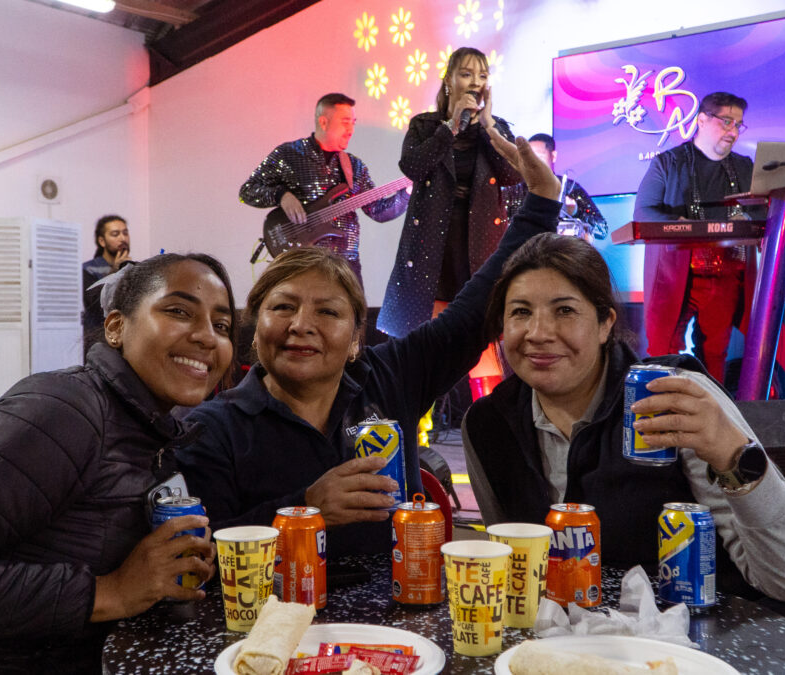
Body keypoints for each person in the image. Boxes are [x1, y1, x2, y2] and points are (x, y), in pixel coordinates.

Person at [461, 158, 785, 673]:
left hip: (762, 630)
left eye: (565, 310)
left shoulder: (673, 394)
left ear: (606, 322)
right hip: (620, 645)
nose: (538, 332)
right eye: (520, 312)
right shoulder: (489, 426)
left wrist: (735, 457)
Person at [178, 128, 562, 559]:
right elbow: (196, 557)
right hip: (276, 622)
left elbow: (477, 306)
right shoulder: (211, 429)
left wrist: (542, 202)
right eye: (283, 307)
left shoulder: (391, 378)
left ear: (356, 337)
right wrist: (305, 510)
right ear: (255, 321)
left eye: (328, 312)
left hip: (404, 616)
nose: (301, 325)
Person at [0, 253, 238, 673]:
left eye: (221, 326)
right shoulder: (62, 410)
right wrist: (108, 592)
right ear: (115, 327)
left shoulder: (155, 432)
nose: (206, 337)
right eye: (179, 311)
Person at [378, 47, 526, 338]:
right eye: (466, 74)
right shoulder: (425, 125)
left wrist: (488, 126)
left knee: (481, 337)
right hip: (432, 241)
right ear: (449, 81)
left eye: (482, 76)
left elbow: (512, 176)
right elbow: (412, 167)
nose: (475, 82)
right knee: (427, 339)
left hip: (480, 239)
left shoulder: (496, 128)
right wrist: (451, 127)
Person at [633, 92, 762, 382]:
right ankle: (662, 416)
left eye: (738, 125)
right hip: (674, 274)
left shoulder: (744, 167)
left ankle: (710, 415)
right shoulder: (668, 162)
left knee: (715, 354)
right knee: (663, 352)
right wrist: (681, 224)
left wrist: (749, 219)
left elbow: (763, 212)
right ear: (702, 120)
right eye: (726, 122)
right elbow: (644, 213)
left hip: (726, 272)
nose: (733, 131)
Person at [238, 93, 409, 282]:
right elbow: (247, 191)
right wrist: (281, 195)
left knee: (352, 312)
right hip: (302, 264)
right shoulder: (288, 155)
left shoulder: (354, 166)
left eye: (353, 122)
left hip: (346, 266)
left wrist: (409, 189)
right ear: (323, 122)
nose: (351, 129)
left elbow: (380, 211)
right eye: (345, 122)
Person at [527, 132, 607, 240]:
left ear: (553, 156)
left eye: (539, 156)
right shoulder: (515, 190)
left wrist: (575, 212)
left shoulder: (570, 188)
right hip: (525, 254)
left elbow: (602, 230)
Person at [82, 214, 132, 352]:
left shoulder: (133, 268)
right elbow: (93, 303)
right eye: (115, 234)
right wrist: (115, 271)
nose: (122, 238)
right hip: (98, 341)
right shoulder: (88, 269)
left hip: (125, 339)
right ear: (102, 241)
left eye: (125, 233)